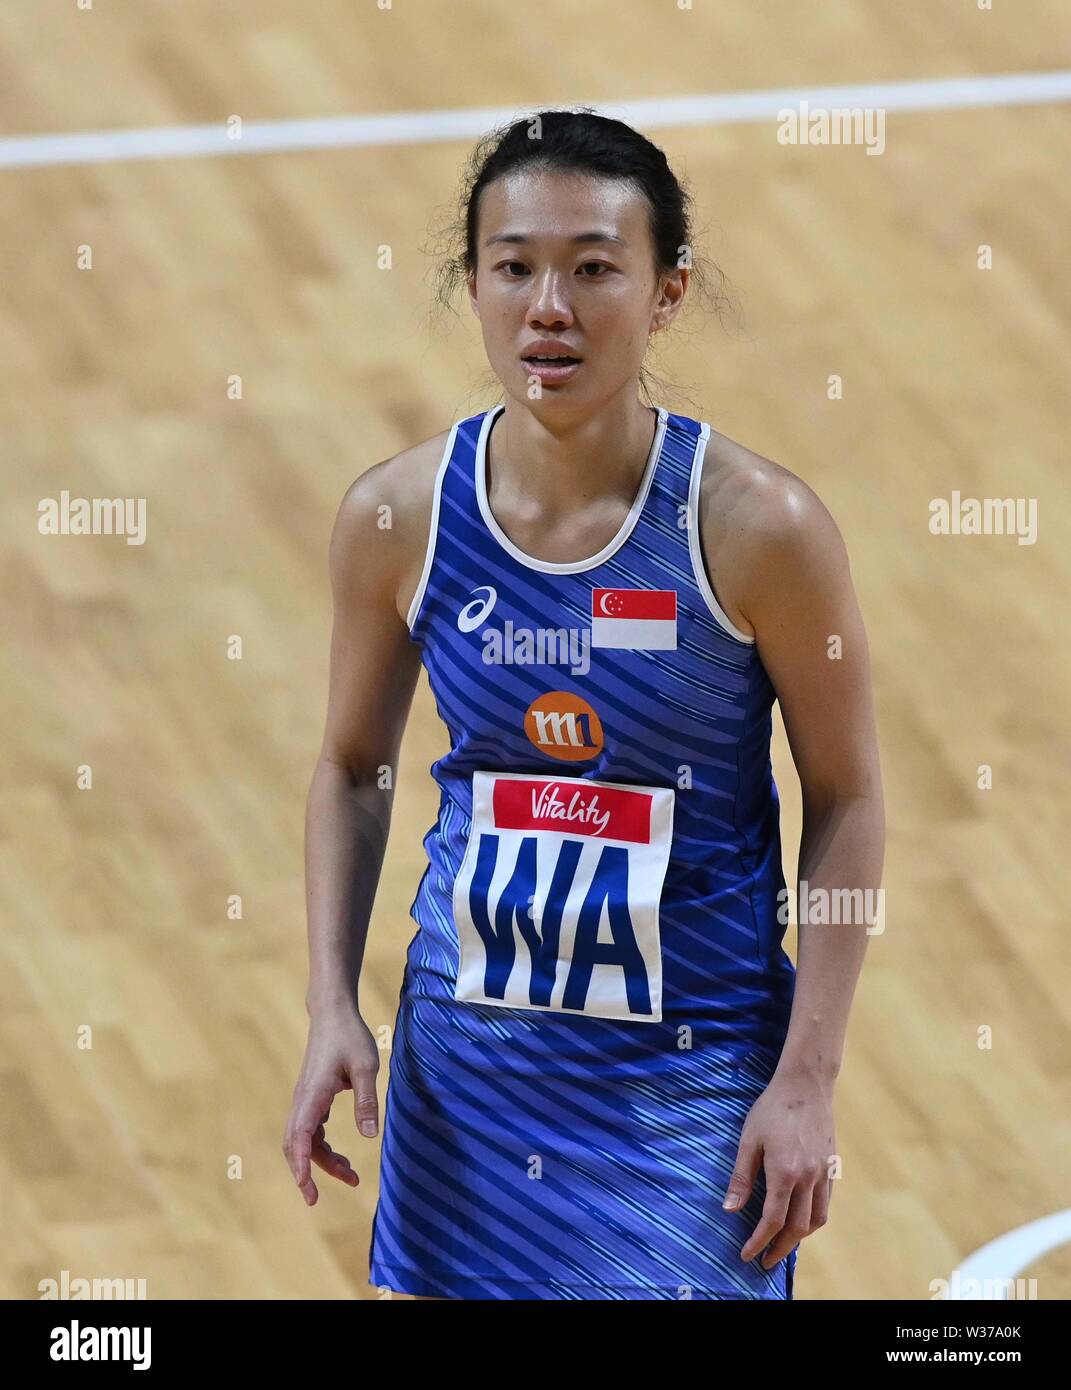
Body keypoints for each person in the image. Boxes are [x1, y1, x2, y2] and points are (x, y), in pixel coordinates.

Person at [282, 108, 885, 1301]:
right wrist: (331, 1005)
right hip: (471, 1072)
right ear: (475, 282)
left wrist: (808, 1075)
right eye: (514, 267)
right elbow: (353, 770)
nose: (548, 306)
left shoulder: (758, 530)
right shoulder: (399, 519)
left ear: (667, 293)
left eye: (595, 268)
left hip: (691, 1078)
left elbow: (850, 793)